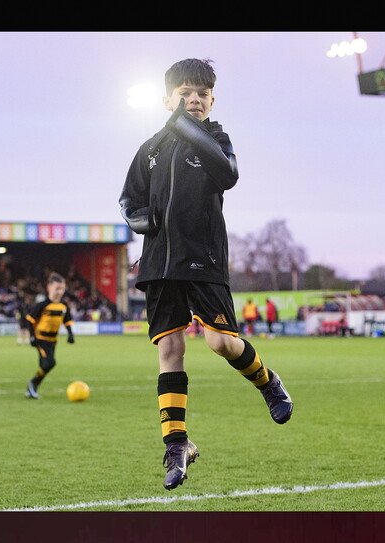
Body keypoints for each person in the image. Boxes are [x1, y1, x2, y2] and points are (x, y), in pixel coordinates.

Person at [118, 58, 293, 491]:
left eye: (202, 94)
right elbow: (129, 197)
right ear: (167, 98)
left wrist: (186, 126)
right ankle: (177, 444)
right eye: (185, 93)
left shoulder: (215, 138)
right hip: (159, 263)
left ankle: (268, 383)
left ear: (212, 101)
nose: (194, 99)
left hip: (204, 257)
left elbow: (228, 174)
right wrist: (141, 221)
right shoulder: (150, 148)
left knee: (220, 342)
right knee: (170, 350)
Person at [24, 273, 75, 399]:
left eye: (62, 289)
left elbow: (67, 321)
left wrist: (70, 334)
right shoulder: (42, 305)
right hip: (41, 339)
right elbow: (30, 320)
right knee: (50, 363)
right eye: (57, 288)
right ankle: (33, 383)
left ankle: (31, 388)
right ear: (49, 288)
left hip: (53, 340)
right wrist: (32, 337)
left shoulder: (64, 306)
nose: (60, 291)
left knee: (45, 365)